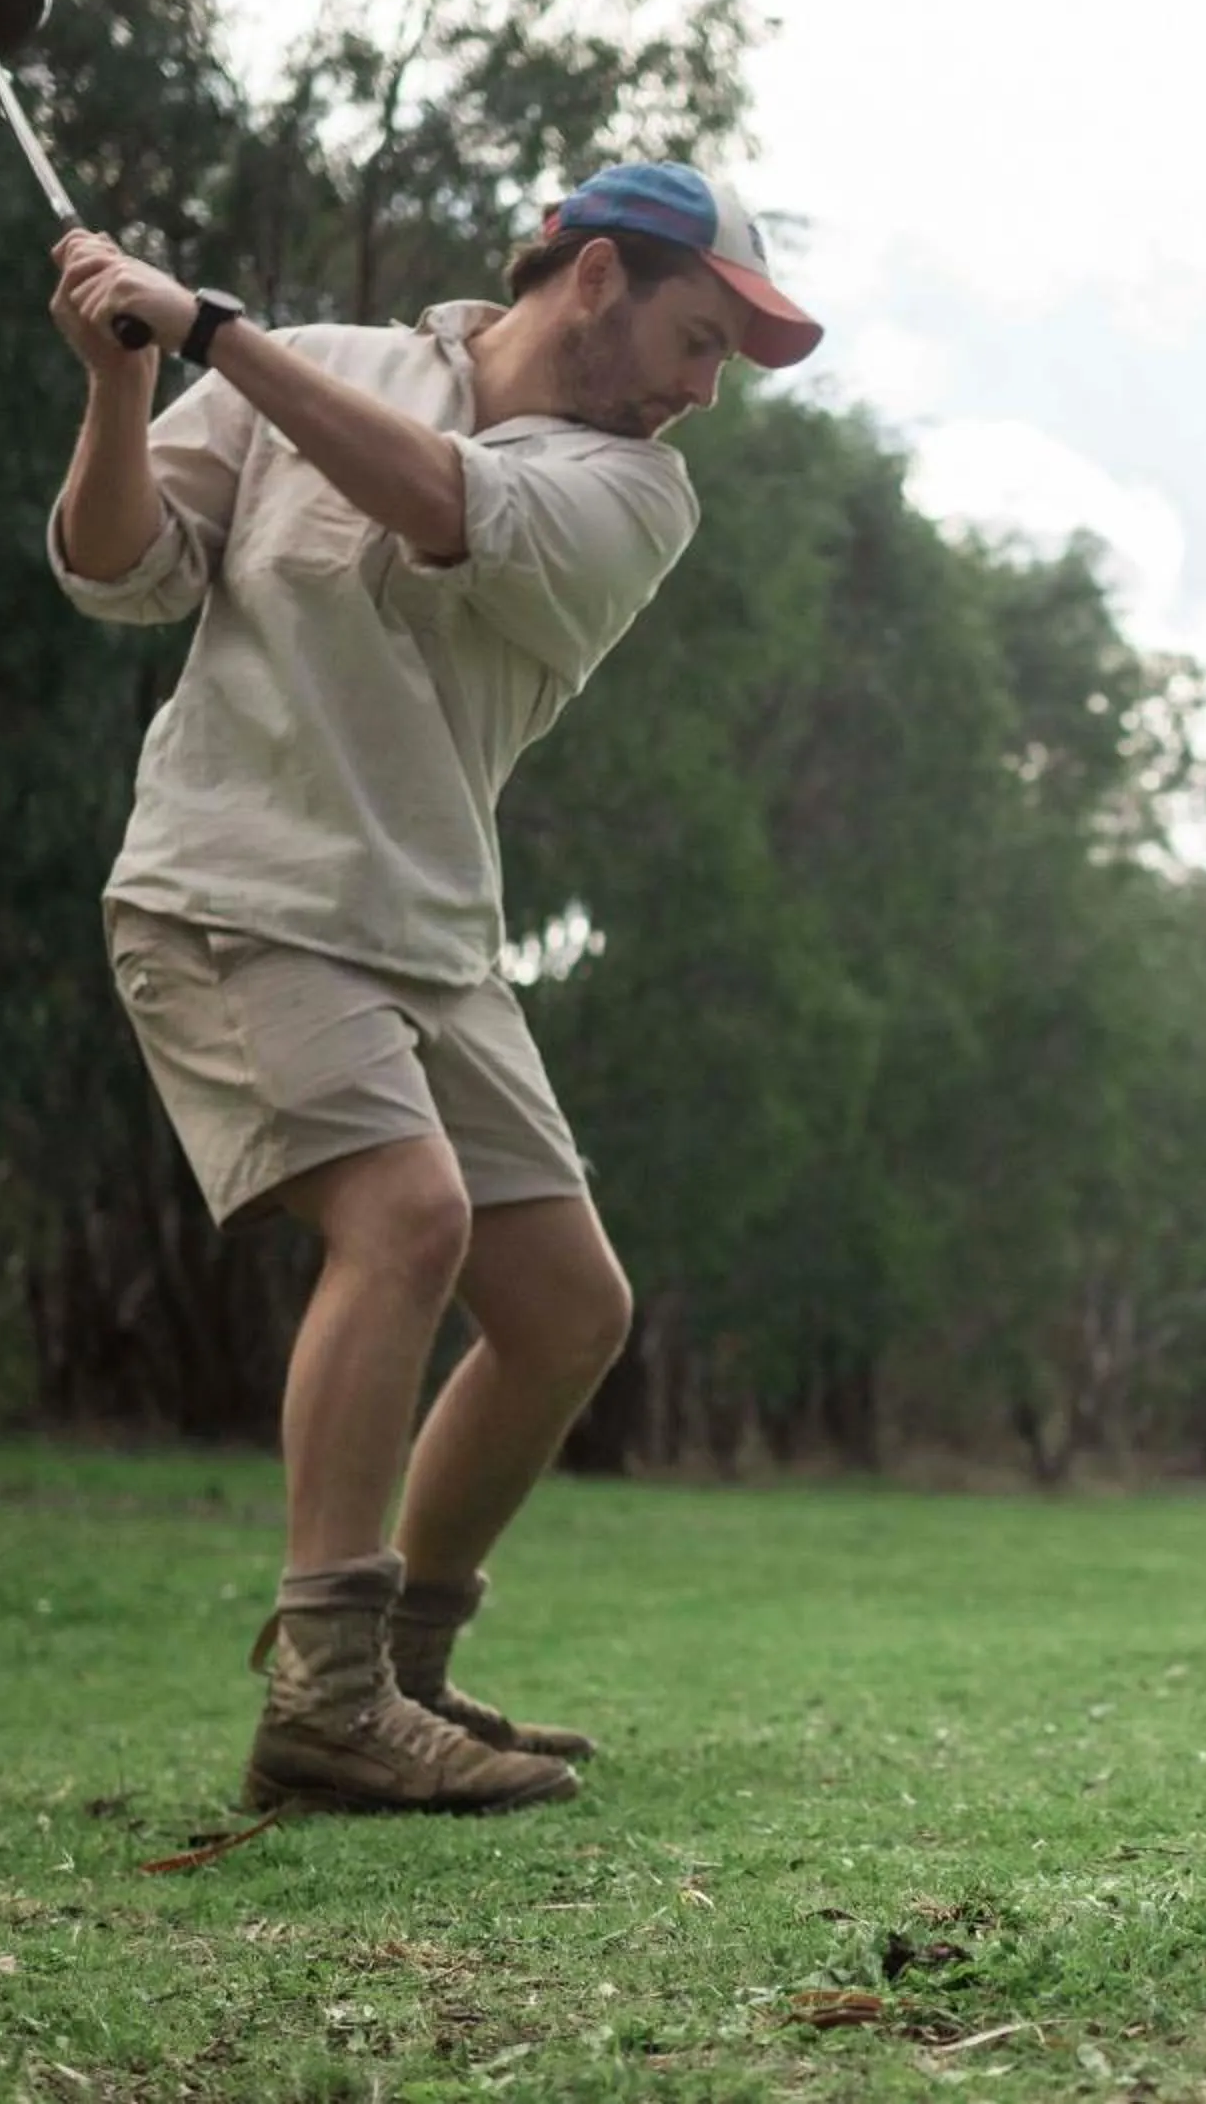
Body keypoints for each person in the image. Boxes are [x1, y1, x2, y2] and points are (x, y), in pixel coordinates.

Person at [45, 162, 822, 1816]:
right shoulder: (320, 364)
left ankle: (400, 1667)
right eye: (697, 341)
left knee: (567, 1309)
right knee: (406, 1216)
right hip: (237, 891)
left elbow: (436, 499)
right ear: (597, 278)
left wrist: (213, 332)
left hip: (430, 931)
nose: (703, 392)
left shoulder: (635, 496)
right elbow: (122, 570)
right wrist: (125, 386)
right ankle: (322, 1703)